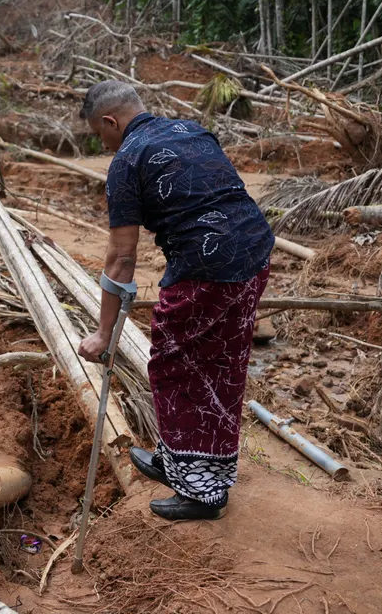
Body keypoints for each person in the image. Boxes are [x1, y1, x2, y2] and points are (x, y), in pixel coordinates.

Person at [76, 80, 274, 521]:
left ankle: (203, 493)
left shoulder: (127, 159)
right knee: (223, 362)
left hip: (208, 268)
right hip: (255, 251)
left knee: (173, 365)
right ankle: (178, 459)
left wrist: (103, 333)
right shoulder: (190, 129)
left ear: (111, 122)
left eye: (98, 134)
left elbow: (122, 258)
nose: (102, 143)